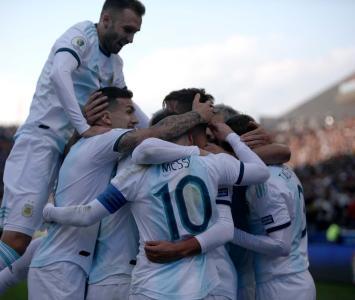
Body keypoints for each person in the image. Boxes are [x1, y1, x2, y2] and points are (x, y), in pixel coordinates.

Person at [0, 0, 146, 270]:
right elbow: (59, 73)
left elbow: (128, 106)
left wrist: (158, 132)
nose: (130, 38)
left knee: (59, 236)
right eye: (127, 30)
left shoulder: (115, 64)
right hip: (42, 143)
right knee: (16, 239)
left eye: (135, 32)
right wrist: (82, 126)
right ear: (105, 20)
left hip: (72, 153)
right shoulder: (80, 35)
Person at [229, 114, 316, 300]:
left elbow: (280, 245)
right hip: (294, 277)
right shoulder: (284, 169)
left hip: (281, 284)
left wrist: (230, 232)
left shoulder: (264, 181)